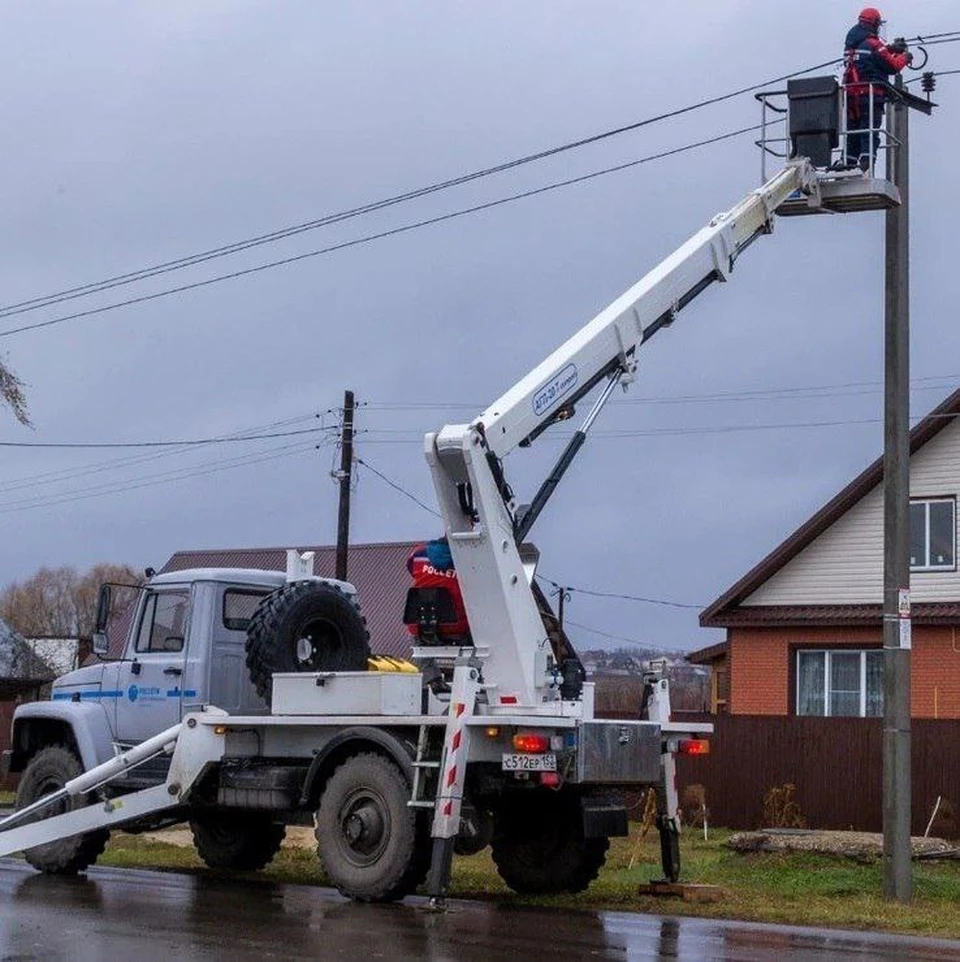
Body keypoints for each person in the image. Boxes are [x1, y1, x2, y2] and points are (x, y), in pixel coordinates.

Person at [843, 8, 912, 169]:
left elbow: (871, 58)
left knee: (853, 134)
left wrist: (891, 49)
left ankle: (847, 166)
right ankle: (866, 165)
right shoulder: (874, 43)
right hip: (870, 97)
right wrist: (905, 57)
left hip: (851, 98)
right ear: (874, 24)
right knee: (870, 133)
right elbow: (892, 66)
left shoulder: (851, 44)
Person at [405, 536, 470, 639]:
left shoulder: (418, 554)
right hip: (458, 627)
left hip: (417, 626)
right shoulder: (470, 561)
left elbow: (411, 569)